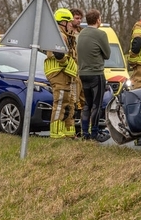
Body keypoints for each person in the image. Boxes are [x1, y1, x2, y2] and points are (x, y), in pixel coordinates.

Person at [44, 8, 79, 139]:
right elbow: (59, 54)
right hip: (59, 73)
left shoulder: (66, 35)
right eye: (69, 22)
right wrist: (66, 64)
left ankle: (68, 132)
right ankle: (56, 133)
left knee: (69, 103)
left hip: (65, 73)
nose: (71, 25)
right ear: (63, 22)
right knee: (60, 103)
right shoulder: (59, 35)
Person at [77, 9, 110, 141]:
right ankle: (94, 132)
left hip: (83, 73)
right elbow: (107, 54)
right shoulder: (101, 34)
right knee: (97, 104)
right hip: (96, 73)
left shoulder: (81, 33)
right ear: (97, 20)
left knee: (87, 104)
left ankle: (85, 133)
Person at [69, 9, 85, 137]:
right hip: (72, 71)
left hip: (83, 70)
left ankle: (82, 129)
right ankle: (73, 128)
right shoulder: (67, 34)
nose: (79, 21)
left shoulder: (83, 33)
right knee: (73, 100)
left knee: (83, 100)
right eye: (76, 18)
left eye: (80, 18)